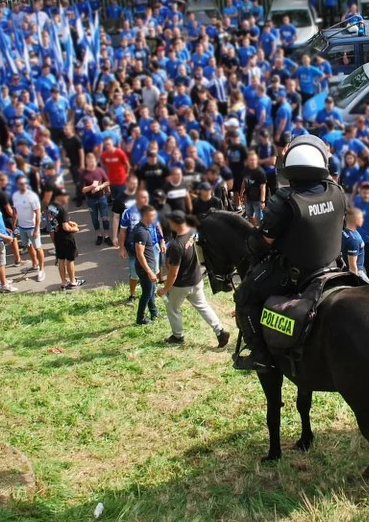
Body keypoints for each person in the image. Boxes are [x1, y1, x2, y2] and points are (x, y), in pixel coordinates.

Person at [232, 135, 348, 371]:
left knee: (244, 296)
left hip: (296, 272)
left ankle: (260, 356)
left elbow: (264, 240)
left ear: (290, 169)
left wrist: (250, 244)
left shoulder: (284, 201)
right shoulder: (337, 191)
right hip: (334, 264)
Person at [160, 212, 230, 347]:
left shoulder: (175, 246)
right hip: (196, 280)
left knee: (172, 308)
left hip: (181, 285)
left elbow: (173, 274)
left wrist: (165, 289)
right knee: (203, 306)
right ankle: (220, 331)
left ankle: (177, 336)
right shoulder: (191, 232)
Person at [118, 188, 151, 305]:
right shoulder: (128, 213)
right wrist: (121, 248)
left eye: (147, 198)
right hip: (133, 249)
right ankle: (132, 295)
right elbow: (123, 232)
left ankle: (150, 295)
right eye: (143, 198)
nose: (146, 200)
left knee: (152, 271)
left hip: (150, 248)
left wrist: (161, 242)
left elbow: (157, 227)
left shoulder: (151, 211)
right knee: (134, 274)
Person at [12, 175, 47, 282]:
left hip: (32, 228)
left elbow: (38, 213)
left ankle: (41, 270)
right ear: (17, 185)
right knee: (28, 246)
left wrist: (37, 229)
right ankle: (34, 264)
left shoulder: (32, 197)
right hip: (22, 227)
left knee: (38, 247)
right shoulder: (15, 196)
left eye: (24, 183)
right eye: (21, 183)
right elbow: (15, 210)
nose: (23, 185)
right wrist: (14, 223)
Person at [48, 190, 83, 290]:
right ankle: (72, 281)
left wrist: (68, 221)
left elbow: (57, 220)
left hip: (57, 237)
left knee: (61, 260)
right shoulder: (62, 209)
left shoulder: (51, 207)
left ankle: (63, 282)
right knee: (70, 260)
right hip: (67, 238)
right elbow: (66, 227)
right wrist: (75, 229)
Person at [79, 153, 112, 246]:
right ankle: (99, 235)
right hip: (90, 200)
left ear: (95, 161)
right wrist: (92, 186)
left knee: (105, 217)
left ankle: (106, 236)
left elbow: (108, 182)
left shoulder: (100, 170)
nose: (91, 163)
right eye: (89, 162)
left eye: (93, 161)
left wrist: (100, 187)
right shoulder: (83, 174)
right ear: (86, 162)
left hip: (102, 198)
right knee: (94, 218)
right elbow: (83, 189)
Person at [342, 207, 366, 277]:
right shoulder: (354, 240)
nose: (363, 220)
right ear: (356, 220)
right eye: (361, 218)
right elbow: (352, 265)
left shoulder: (344, 232)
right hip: (358, 272)